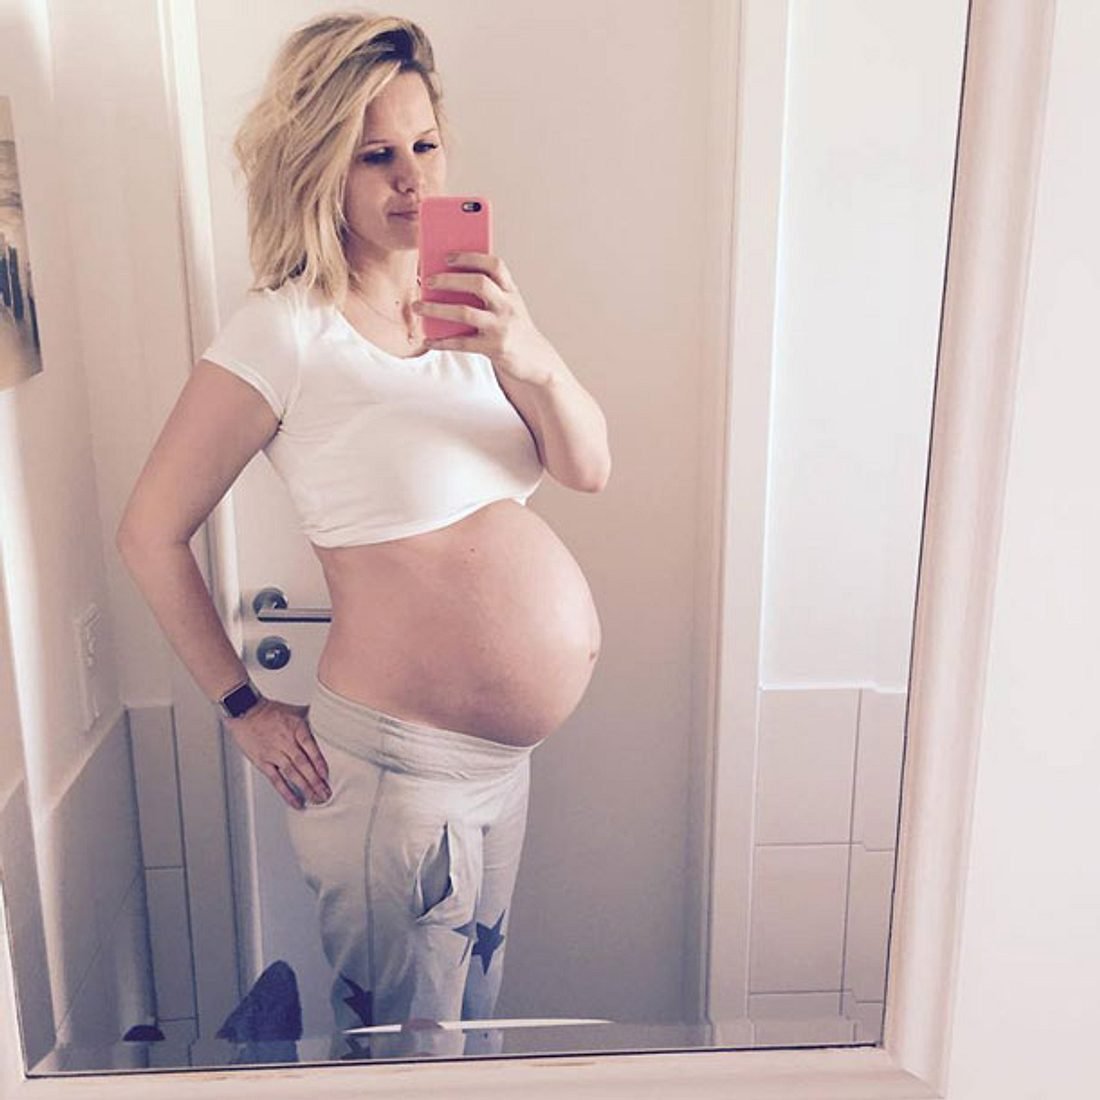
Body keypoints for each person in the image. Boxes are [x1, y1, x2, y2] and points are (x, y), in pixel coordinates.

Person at [116, 10, 610, 1061]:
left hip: (496, 766)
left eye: (424, 145)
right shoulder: (283, 331)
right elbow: (150, 532)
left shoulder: (472, 311)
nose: (411, 180)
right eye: (374, 155)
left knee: (466, 1039)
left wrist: (525, 349)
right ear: (318, 167)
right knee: (405, 1060)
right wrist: (244, 708)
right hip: (399, 772)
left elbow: (587, 467)